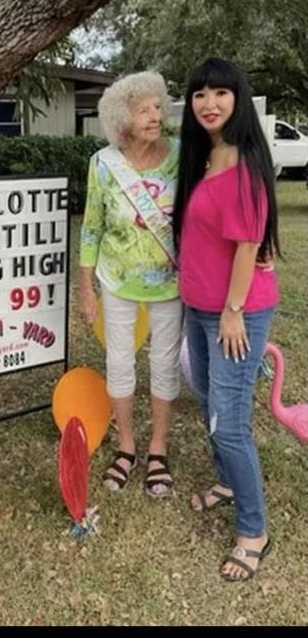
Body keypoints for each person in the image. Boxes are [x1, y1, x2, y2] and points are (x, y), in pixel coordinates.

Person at [173, 57, 280, 582]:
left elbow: (247, 246)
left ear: (238, 99)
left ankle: (253, 530)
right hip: (198, 305)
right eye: (199, 95)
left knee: (229, 423)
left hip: (235, 312)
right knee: (209, 400)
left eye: (220, 93)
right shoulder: (205, 157)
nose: (208, 103)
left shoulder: (244, 165)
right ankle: (229, 483)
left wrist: (233, 311)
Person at [79, 72, 182, 498]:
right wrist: (86, 288)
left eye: (157, 106)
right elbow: (91, 228)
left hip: (171, 283)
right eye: (144, 110)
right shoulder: (104, 165)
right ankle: (126, 446)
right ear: (123, 117)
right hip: (117, 281)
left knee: (164, 365)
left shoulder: (181, 155)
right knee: (120, 363)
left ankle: (157, 448)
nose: (155, 115)